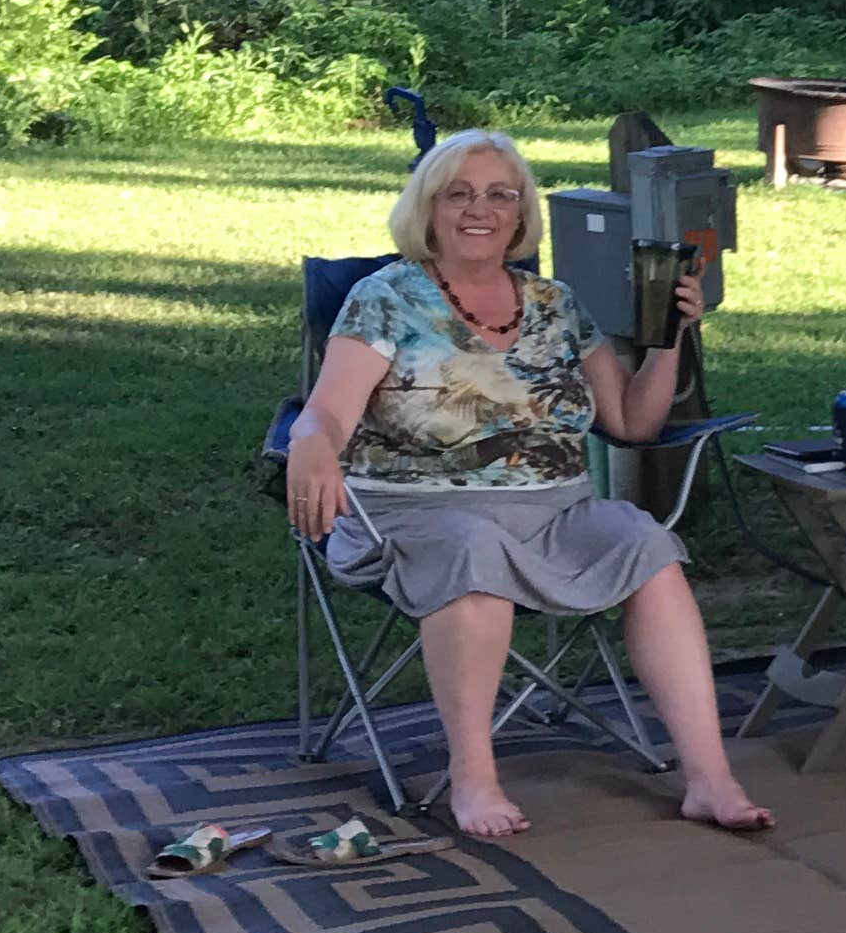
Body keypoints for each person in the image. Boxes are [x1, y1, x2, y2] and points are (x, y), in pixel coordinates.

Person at [283, 128, 774, 840]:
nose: (479, 209)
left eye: (499, 195)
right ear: (428, 209)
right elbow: (327, 411)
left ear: (521, 215)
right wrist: (310, 444)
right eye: (459, 193)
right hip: (416, 514)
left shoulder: (556, 304)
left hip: (553, 512)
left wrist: (669, 338)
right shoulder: (385, 298)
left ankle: (708, 777)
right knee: (473, 546)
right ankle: (473, 779)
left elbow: (633, 422)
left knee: (646, 544)